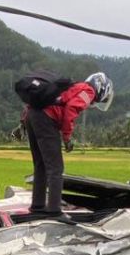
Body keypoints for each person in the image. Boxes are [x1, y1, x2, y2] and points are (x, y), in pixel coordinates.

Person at [22, 72, 113, 220]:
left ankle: (38, 206)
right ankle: (54, 211)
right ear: (101, 88)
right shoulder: (88, 91)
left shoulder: (73, 86)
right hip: (46, 118)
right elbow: (71, 109)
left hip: (32, 115)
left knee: (41, 165)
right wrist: (67, 137)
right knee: (56, 169)